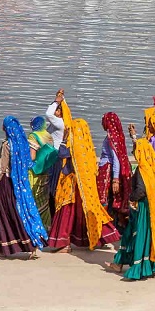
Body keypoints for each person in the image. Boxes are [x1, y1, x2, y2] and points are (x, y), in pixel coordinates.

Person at [46, 107, 121, 252]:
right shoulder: (86, 148)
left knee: (66, 214)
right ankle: (99, 238)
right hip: (85, 189)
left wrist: (64, 140)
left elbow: (62, 154)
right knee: (87, 212)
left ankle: (63, 243)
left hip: (70, 187)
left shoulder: (73, 148)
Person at [111, 138, 155, 280]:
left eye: (135, 150)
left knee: (142, 234)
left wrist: (132, 199)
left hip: (146, 208)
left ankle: (140, 267)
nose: (133, 153)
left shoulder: (142, 170)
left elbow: (141, 190)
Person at [0, 116, 48, 258]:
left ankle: (13, 245)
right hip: (20, 184)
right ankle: (20, 244)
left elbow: (2, 169)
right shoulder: (23, 143)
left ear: (6, 129)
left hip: (7, 184)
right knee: (20, 213)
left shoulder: (7, 145)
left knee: (7, 214)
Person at [97, 112, 132, 230]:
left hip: (107, 170)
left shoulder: (112, 137)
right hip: (108, 169)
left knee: (104, 198)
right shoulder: (117, 135)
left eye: (104, 120)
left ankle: (104, 227)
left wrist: (115, 179)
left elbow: (116, 158)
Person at [26, 117, 57, 227]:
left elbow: (32, 156)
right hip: (46, 169)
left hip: (35, 172)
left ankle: (35, 225)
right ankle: (47, 224)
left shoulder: (33, 136)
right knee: (44, 198)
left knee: (34, 197)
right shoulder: (48, 135)